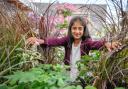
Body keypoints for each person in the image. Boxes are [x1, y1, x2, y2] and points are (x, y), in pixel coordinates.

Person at [27, 16, 121, 81]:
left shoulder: (86, 42)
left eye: (80, 28)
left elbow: (95, 44)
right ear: (70, 29)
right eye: (74, 28)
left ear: (84, 30)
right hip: (68, 73)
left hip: (82, 74)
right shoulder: (67, 40)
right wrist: (41, 41)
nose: (77, 31)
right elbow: (55, 41)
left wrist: (106, 44)